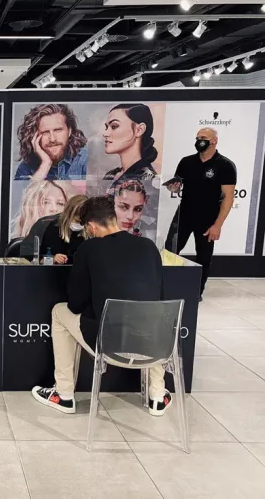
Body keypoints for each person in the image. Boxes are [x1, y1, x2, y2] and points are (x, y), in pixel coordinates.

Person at [32, 196, 171, 416]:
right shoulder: (149, 246)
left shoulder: (89, 249)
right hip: (153, 346)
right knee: (150, 318)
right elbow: (158, 296)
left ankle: (64, 394)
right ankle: (157, 396)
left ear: (91, 226)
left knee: (59, 311)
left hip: (110, 344)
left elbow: (75, 304)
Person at [165, 128, 236, 297]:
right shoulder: (186, 162)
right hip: (184, 214)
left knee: (204, 256)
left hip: (208, 218)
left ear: (214, 140)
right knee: (170, 251)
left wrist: (217, 225)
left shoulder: (225, 165)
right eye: (197, 138)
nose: (199, 141)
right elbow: (176, 187)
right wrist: (173, 188)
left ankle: (196, 293)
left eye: (203, 138)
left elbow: (228, 197)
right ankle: (165, 287)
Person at [15, 104, 89, 181]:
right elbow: (25, 190)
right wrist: (45, 164)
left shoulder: (86, 160)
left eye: (58, 130)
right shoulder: (25, 168)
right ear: (34, 136)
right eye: (45, 132)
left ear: (69, 131)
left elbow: (95, 189)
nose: (52, 139)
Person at [102, 104, 158, 182]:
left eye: (114, 126)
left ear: (139, 130)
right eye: (106, 127)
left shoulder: (147, 177)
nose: (105, 134)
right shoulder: (111, 175)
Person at [38, 194, 87, 264]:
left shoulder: (92, 232)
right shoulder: (54, 228)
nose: (79, 224)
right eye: (77, 221)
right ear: (68, 214)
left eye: (83, 222)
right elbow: (41, 260)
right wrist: (52, 259)